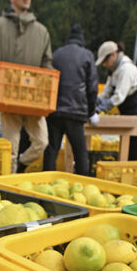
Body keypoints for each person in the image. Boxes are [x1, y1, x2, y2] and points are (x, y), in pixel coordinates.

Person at [0, 0, 53, 173]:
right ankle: (8, 188)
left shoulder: (42, 31)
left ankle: (19, 167)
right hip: (7, 94)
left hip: (33, 97)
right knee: (9, 147)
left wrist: (48, 78)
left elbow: (47, 62)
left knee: (42, 142)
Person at [42, 24, 98, 175]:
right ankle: (82, 185)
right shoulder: (87, 55)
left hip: (55, 111)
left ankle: (45, 184)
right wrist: (92, 111)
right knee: (80, 154)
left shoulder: (57, 53)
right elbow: (92, 87)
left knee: (51, 150)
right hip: (76, 112)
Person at [94, 41, 137, 160]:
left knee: (134, 149)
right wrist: (94, 103)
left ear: (113, 55)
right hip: (125, 113)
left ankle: (135, 177)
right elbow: (106, 94)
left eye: (105, 61)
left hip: (136, 112)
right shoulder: (113, 71)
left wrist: (99, 109)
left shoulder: (127, 69)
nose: (105, 65)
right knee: (125, 149)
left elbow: (118, 97)